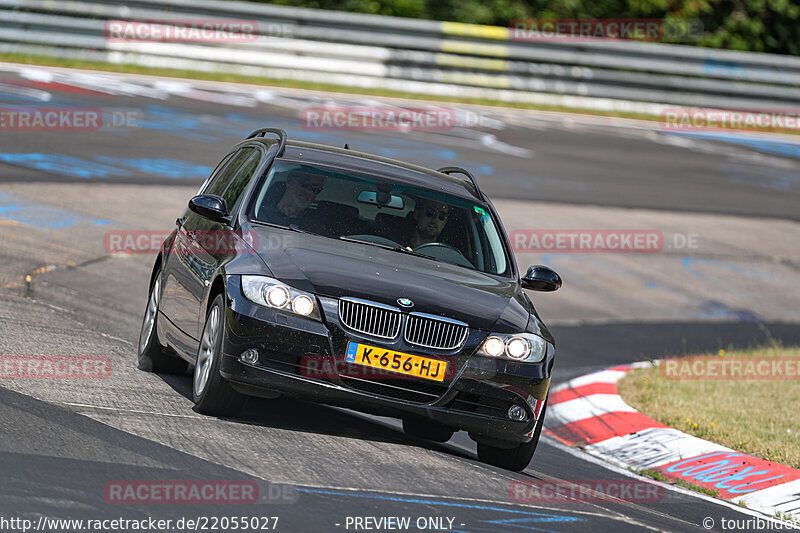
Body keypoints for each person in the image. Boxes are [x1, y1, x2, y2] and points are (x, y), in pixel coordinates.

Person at [258, 170, 325, 226]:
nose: (309, 191)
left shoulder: (314, 227)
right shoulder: (258, 212)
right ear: (289, 180)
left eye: (315, 189)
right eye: (305, 184)